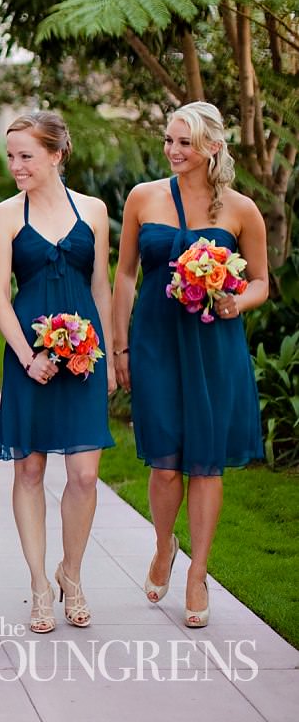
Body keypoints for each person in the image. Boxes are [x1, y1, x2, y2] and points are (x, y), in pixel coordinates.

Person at [111, 101, 267, 629]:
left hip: (213, 345)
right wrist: (120, 346)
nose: (173, 151)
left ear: (212, 148)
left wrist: (236, 302)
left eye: (184, 143)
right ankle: (163, 545)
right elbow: (126, 275)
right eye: (169, 141)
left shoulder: (242, 209)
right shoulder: (142, 198)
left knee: (206, 463)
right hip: (155, 342)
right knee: (165, 464)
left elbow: (261, 282)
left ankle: (198, 573)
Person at [0, 111, 115, 633]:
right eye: (12, 155)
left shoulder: (96, 211)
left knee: (84, 475)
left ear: (57, 155)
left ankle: (73, 574)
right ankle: (40, 584)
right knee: (31, 470)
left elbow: (101, 286)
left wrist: (105, 357)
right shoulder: (5, 214)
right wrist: (26, 357)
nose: (16, 165)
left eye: (26, 156)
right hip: (28, 358)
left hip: (84, 361)